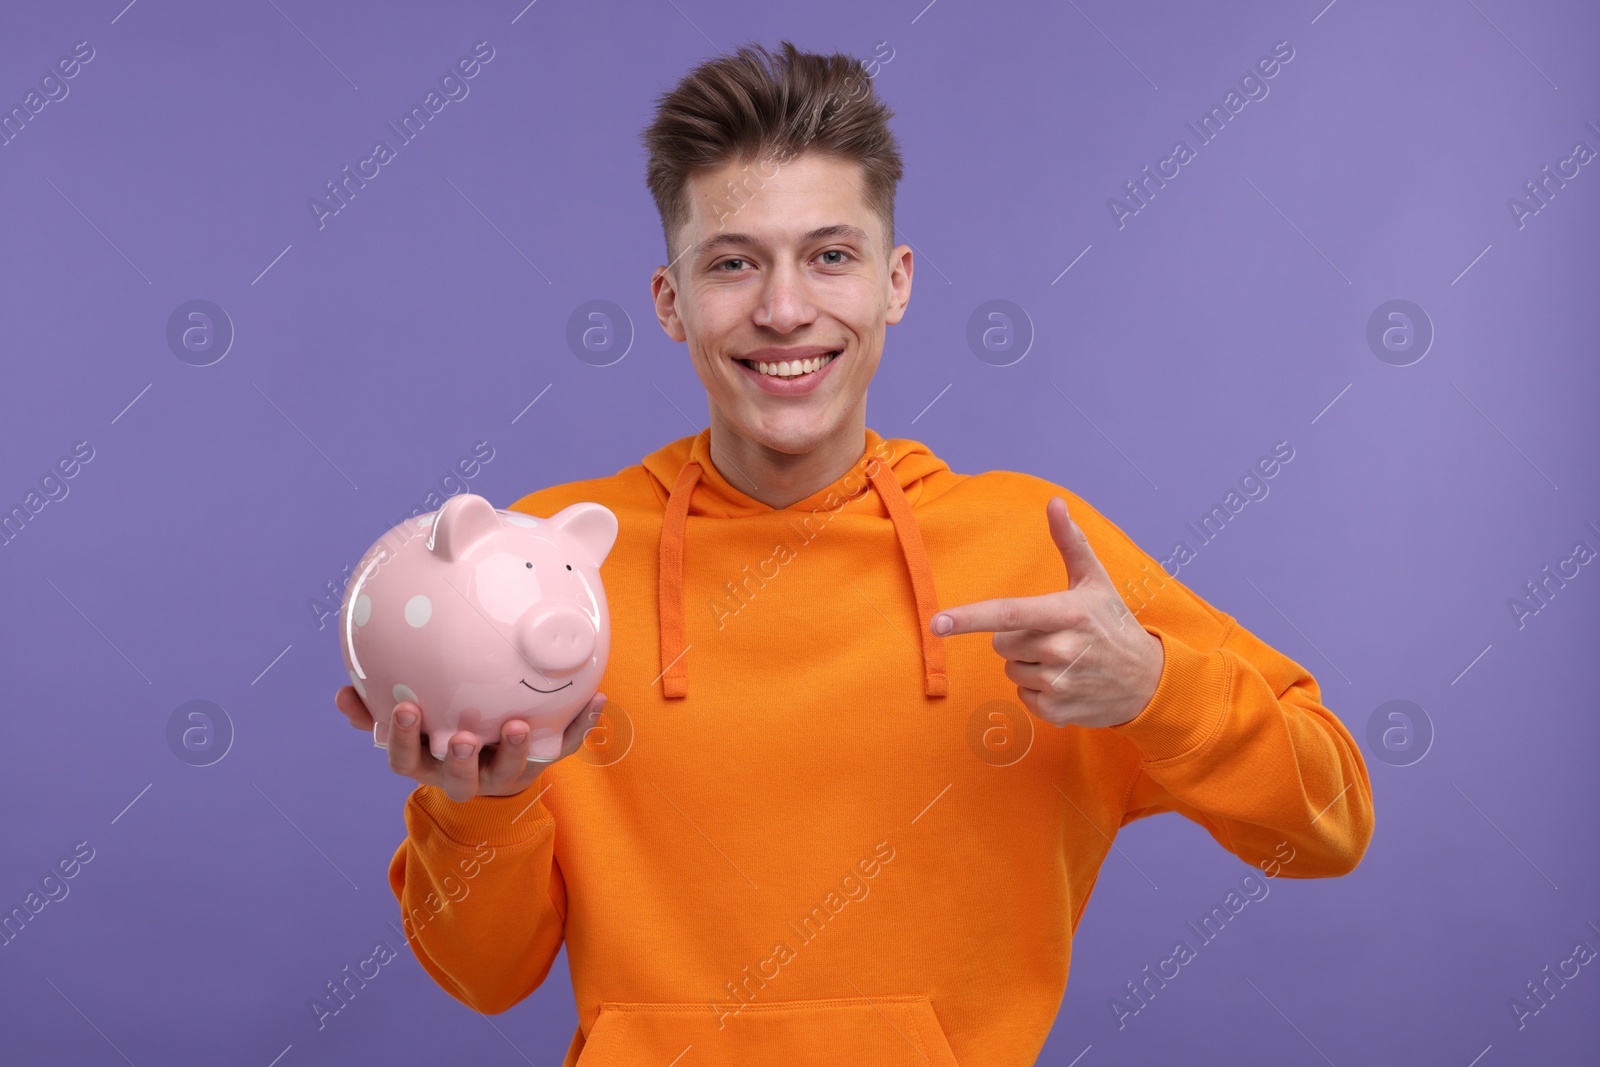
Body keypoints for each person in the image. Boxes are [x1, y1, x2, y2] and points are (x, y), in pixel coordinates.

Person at [333, 40, 1374, 1065]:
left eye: (830, 256)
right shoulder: (547, 567)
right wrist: (481, 805)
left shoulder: (1033, 550)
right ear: (670, 301)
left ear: (894, 282)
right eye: (733, 262)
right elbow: (483, 977)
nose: (785, 309)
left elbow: (1329, 825)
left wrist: (1157, 688)